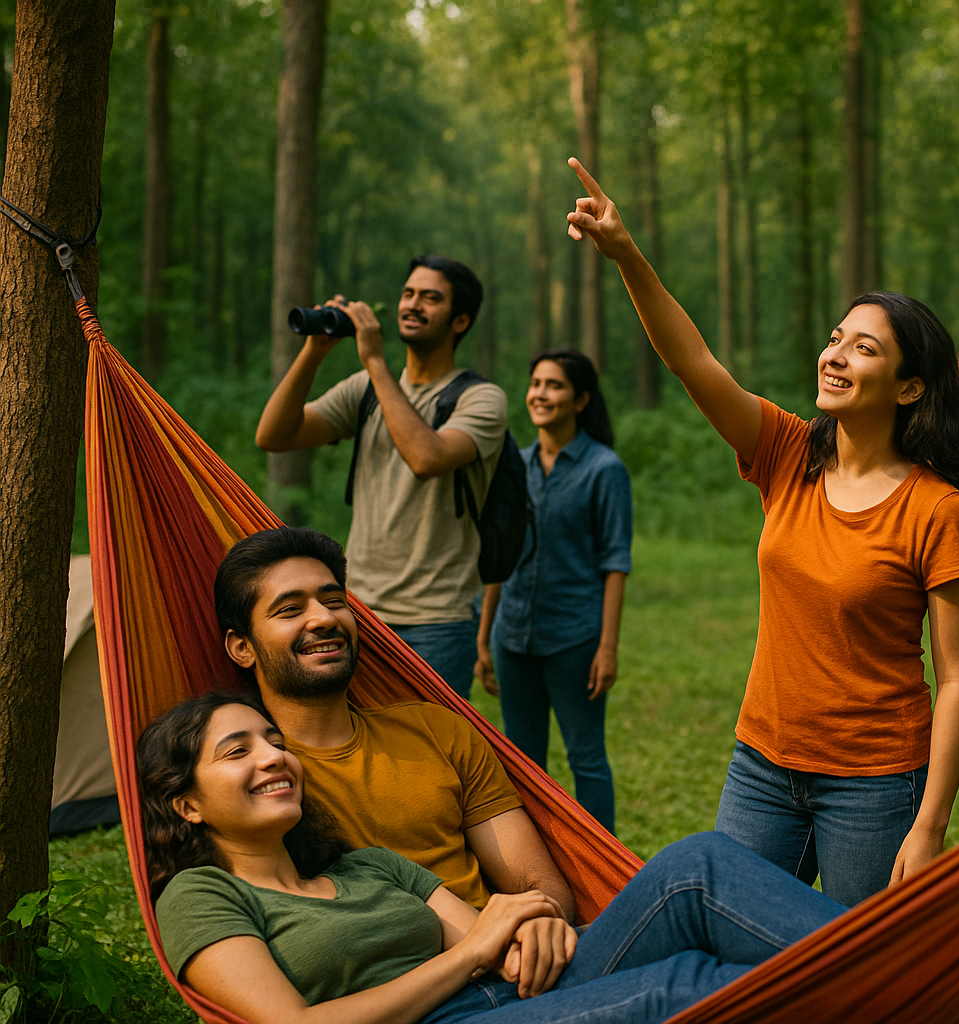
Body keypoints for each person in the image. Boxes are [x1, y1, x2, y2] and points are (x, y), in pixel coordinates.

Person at [563, 159, 959, 910]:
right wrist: (627, 253)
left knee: (860, 970)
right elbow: (690, 361)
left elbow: (955, 679)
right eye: (836, 337)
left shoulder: (936, 509)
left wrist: (930, 825)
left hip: (875, 780)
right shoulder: (788, 452)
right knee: (736, 947)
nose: (835, 355)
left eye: (865, 348)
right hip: (761, 763)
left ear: (910, 387)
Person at [140, 692, 844, 1024]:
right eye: (239, 752)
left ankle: (895, 959)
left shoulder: (366, 866)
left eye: (273, 742)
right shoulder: (203, 896)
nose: (274, 757)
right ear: (187, 804)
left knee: (699, 865)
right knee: (687, 987)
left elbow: (497, 936)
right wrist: (472, 952)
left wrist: (527, 922)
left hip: (519, 992)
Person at [214, 526, 570, 915]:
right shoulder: (258, 777)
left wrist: (539, 929)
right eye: (290, 609)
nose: (323, 619)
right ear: (242, 647)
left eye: (334, 601)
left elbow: (537, 883)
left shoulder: (437, 729)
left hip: (525, 952)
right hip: (418, 971)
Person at [255, 255, 505, 699]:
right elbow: (274, 434)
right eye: (408, 294)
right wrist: (313, 353)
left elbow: (426, 458)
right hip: (359, 611)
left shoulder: (481, 399)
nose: (412, 304)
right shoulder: (365, 390)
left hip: (437, 619)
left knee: (431, 754)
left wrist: (373, 360)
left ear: (460, 320)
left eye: (431, 298)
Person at [477, 351, 631, 834]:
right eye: (536, 383)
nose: (540, 394)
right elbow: (499, 557)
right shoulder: (514, 466)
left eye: (555, 385)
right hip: (513, 639)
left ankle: (605, 869)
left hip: (575, 639)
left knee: (586, 758)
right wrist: (484, 638)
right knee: (522, 761)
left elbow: (615, 564)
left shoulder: (604, 470)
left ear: (580, 399)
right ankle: (537, 857)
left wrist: (607, 648)